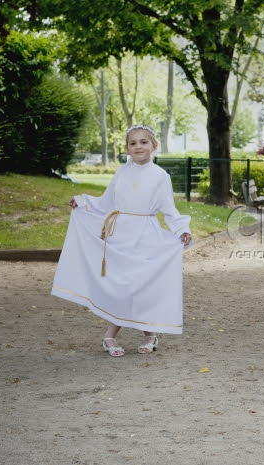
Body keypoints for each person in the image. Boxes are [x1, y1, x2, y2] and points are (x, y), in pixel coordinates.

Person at [52, 124, 192, 357]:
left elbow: (169, 209)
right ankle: (110, 336)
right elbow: (107, 202)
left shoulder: (160, 176)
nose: (138, 146)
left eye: (144, 142)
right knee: (120, 285)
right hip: (121, 235)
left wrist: (181, 230)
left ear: (154, 146)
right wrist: (83, 202)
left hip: (146, 235)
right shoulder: (121, 173)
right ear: (127, 148)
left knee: (140, 284)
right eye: (133, 143)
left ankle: (150, 334)